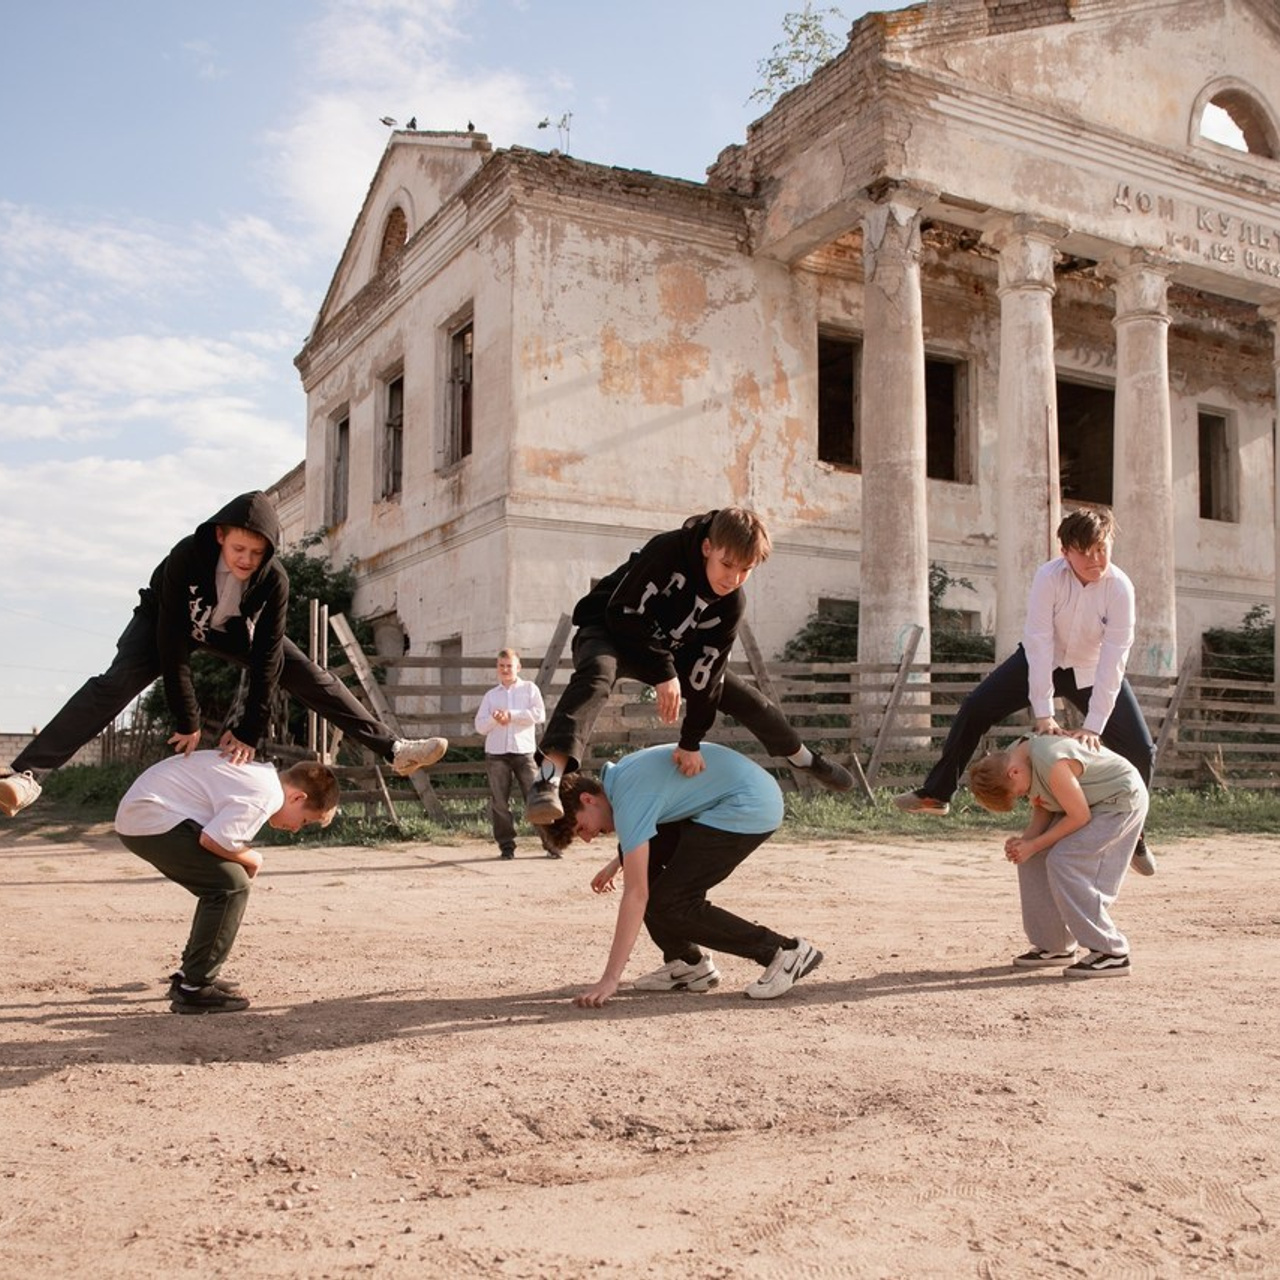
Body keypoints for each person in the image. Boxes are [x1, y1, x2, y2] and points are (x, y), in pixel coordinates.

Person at [0, 491, 446, 819]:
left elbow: (268, 656)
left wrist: (250, 729)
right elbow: (173, 645)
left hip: (230, 631)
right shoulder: (186, 558)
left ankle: (394, 747)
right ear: (220, 536)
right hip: (163, 623)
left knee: (308, 673)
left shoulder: (274, 581)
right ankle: (27, 776)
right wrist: (187, 718)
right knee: (113, 684)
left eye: (257, 553)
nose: (247, 560)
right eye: (238, 550)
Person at [524, 508, 854, 825]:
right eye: (726, 564)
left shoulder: (732, 604)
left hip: (671, 651)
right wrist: (663, 672)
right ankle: (546, 783)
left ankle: (807, 760)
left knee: (746, 698)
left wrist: (690, 742)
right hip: (610, 630)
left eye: (745, 570)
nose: (733, 578)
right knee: (596, 675)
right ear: (707, 547)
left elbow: (707, 677)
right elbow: (622, 613)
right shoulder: (667, 551)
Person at [894, 508, 1157, 876]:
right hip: (1040, 660)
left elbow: (1115, 657)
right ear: (1066, 551)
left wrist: (1094, 725)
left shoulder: (1120, 587)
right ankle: (937, 793)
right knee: (975, 707)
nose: (1096, 560)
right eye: (1086, 552)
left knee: (1141, 749)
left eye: (1102, 549)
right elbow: (1038, 642)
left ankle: (1135, 832)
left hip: (1092, 668)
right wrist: (1044, 712)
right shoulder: (1048, 576)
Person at [542, 740, 823, 1007]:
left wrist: (610, 979)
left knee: (672, 902)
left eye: (580, 828)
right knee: (653, 881)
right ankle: (687, 964)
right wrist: (618, 861)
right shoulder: (621, 784)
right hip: (725, 801)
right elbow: (647, 823)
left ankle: (782, 952)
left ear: (588, 799)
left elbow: (636, 894)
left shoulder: (630, 797)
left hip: (748, 805)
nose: (588, 838)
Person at [114, 749, 340, 1012]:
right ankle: (195, 987)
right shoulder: (266, 795)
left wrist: (243, 859)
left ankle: (193, 974)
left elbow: (217, 837)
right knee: (231, 886)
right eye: (303, 820)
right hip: (151, 817)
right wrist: (253, 858)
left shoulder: (261, 780)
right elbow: (213, 840)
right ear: (297, 797)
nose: (295, 828)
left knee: (224, 882)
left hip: (145, 815)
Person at [968, 732, 1146, 978]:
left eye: (1017, 793)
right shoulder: (1016, 757)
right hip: (1083, 803)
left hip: (1117, 802)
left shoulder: (1052, 763)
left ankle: (1111, 951)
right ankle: (1055, 945)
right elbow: (1044, 802)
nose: (1023, 796)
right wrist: (1027, 842)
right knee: (1032, 857)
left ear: (1013, 773)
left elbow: (1079, 816)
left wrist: (1034, 843)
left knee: (1065, 860)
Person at [474, 649, 550, 859]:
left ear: (518, 667)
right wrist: (495, 719)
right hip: (496, 754)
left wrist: (512, 716)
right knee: (500, 803)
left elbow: (540, 714)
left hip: (524, 752)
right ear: (497, 668)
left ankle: (551, 843)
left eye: (509, 665)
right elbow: (480, 726)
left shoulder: (529, 689)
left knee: (535, 798)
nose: (505, 669)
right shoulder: (491, 695)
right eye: (502, 666)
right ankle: (506, 847)